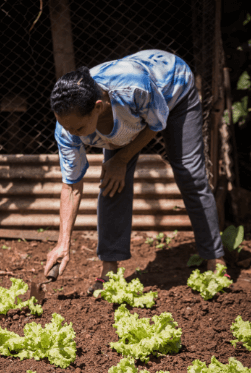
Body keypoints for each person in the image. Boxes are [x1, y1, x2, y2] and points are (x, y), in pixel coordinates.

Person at [44, 49, 225, 290]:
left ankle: (215, 259)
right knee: (112, 182)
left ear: (98, 107)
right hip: (132, 113)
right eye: (65, 125)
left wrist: (121, 159)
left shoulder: (134, 87)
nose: (70, 133)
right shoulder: (68, 125)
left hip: (173, 87)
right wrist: (62, 243)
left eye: (77, 128)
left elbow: (157, 122)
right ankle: (109, 271)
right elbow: (72, 185)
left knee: (189, 173)